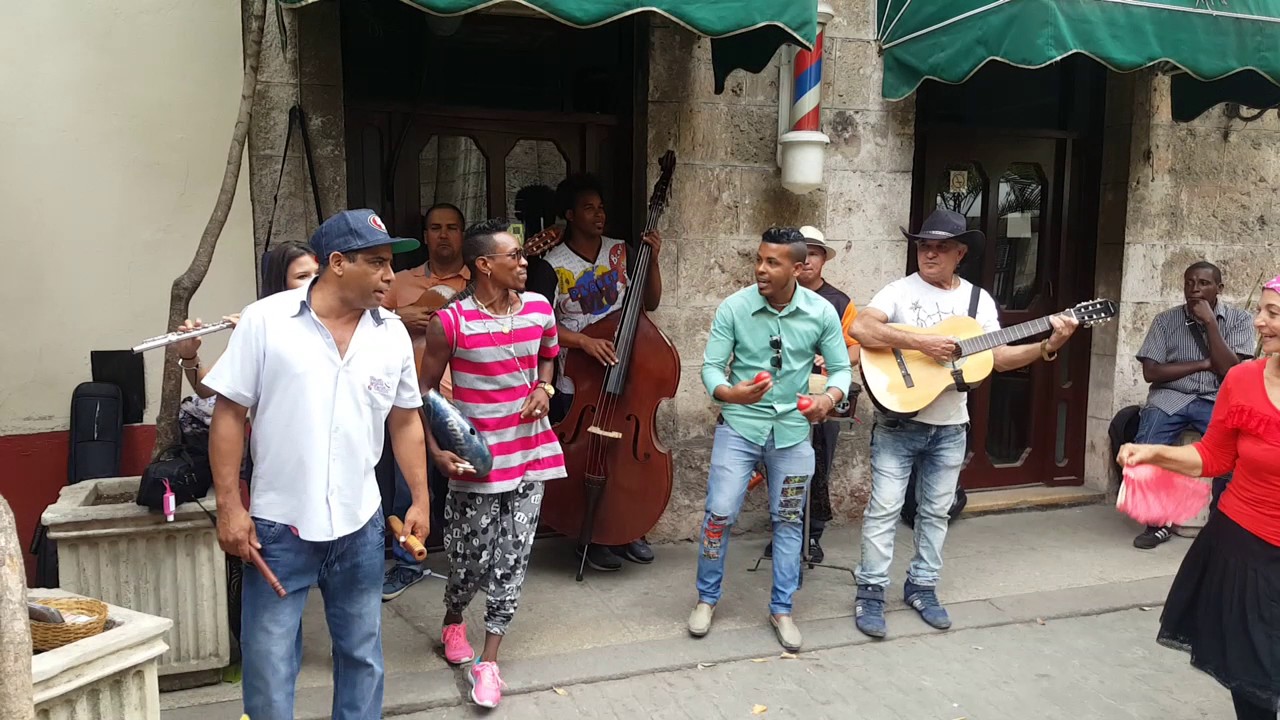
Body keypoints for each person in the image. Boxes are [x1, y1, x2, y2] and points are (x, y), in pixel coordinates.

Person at [204, 209, 432, 720]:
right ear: (336, 263)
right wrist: (229, 508)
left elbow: (405, 421)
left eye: (389, 264)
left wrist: (419, 497)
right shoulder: (266, 321)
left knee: (361, 655)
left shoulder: (391, 333)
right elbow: (228, 413)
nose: (389, 276)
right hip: (279, 528)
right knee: (269, 662)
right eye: (376, 263)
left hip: (361, 525)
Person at [849, 208, 1080, 639]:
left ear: (960, 253)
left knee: (936, 512)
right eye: (923, 245)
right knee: (883, 510)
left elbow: (999, 357)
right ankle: (871, 592)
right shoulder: (898, 291)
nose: (929, 254)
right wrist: (922, 342)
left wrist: (1048, 345)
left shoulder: (977, 302)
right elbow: (863, 329)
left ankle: (922, 586)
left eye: (940, 247)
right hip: (899, 423)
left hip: (951, 424)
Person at [1117, 275, 1280, 720]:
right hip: (1241, 549)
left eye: (1273, 313)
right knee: (1253, 682)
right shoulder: (1243, 380)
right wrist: (1154, 453)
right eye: (1262, 310)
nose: (1259, 323)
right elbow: (1214, 456)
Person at [419, 218, 565, 708]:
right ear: (485, 265)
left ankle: (490, 661)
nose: (525, 263)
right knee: (470, 559)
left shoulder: (541, 309)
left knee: (512, 560)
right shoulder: (450, 322)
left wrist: (544, 388)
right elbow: (422, 395)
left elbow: (549, 356)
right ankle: (453, 617)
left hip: (531, 456)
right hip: (478, 461)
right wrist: (437, 452)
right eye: (515, 257)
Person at [691, 227, 852, 652]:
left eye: (772, 262)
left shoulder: (820, 312)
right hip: (739, 428)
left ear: (798, 268)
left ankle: (782, 608)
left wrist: (829, 400)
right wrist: (729, 392)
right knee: (718, 515)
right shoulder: (735, 307)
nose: (761, 269)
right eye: (759, 259)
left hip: (793, 435)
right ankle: (706, 599)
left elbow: (841, 371)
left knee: (788, 521)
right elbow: (710, 368)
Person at [542, 173, 664, 571]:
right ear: (570, 215)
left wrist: (654, 260)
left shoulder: (622, 252)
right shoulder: (551, 264)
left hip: (625, 368)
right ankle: (589, 533)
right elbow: (541, 326)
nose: (598, 214)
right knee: (585, 455)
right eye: (588, 207)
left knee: (621, 455)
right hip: (578, 376)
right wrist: (583, 343)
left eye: (601, 207)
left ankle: (626, 529)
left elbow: (651, 301)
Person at [1129, 261, 1256, 549]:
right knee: (1147, 447)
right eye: (1189, 282)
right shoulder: (1165, 321)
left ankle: (1220, 524)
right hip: (1170, 396)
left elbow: (1230, 372)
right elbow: (1152, 372)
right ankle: (1157, 524)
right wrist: (1203, 363)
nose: (1194, 289)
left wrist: (1211, 323)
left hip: (1215, 398)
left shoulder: (1239, 320)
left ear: (1219, 288)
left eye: (1203, 283)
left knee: (1233, 452)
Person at [380, 203, 471, 601]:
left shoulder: (481, 280)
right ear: (426, 233)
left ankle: (468, 563)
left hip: (460, 397)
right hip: (408, 402)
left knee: (466, 485)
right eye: (435, 228)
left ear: (463, 234)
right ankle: (408, 564)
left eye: (452, 227)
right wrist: (399, 317)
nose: (444, 235)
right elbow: (362, 327)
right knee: (407, 490)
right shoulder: (399, 282)